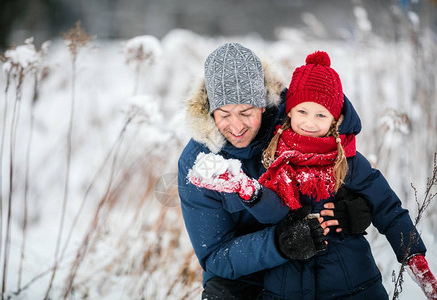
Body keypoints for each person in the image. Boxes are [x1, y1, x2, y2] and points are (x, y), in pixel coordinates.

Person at [178, 42, 373, 299]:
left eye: (246, 112)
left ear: (262, 104)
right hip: (246, 275)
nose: (236, 126)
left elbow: (336, 122)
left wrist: (357, 206)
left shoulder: (296, 120)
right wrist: (277, 243)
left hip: (314, 251)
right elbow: (214, 256)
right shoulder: (198, 162)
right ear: (210, 111)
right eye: (224, 114)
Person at [250, 51, 436, 299]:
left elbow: (387, 208)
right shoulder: (272, 158)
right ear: (289, 112)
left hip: (351, 284)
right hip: (286, 286)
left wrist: (413, 255)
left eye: (321, 115)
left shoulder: (347, 161)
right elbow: (259, 213)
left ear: (335, 119)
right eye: (302, 111)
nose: (310, 123)